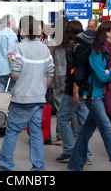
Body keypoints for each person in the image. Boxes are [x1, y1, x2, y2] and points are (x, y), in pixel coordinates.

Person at [67, 21, 111, 171]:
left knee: (84, 133)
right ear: (108, 33)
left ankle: (74, 166)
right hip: (94, 97)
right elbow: (102, 77)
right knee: (109, 134)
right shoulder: (96, 51)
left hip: (106, 96)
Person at [0, 15, 55, 171]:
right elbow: (50, 73)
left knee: (12, 131)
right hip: (38, 98)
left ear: (21, 30)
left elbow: (15, 74)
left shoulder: (19, 48)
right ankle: (38, 167)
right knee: (36, 133)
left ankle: (6, 166)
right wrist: (42, 90)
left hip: (22, 98)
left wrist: (12, 62)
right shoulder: (45, 49)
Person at [56, 20, 94, 164]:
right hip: (87, 89)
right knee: (84, 123)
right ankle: (87, 155)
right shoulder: (87, 46)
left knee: (63, 118)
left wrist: (74, 90)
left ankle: (69, 150)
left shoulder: (72, 48)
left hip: (73, 90)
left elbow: (74, 71)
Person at [48, 16, 69, 146]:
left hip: (57, 80)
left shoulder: (53, 44)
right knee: (71, 110)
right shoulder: (73, 43)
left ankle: (61, 136)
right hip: (71, 79)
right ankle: (70, 135)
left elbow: (49, 63)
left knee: (60, 110)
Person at [0, 14, 18, 92]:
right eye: (14, 21)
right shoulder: (12, 35)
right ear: (10, 22)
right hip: (8, 71)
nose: (16, 22)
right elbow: (11, 53)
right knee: (13, 95)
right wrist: (14, 70)